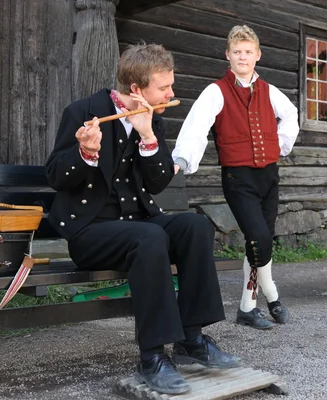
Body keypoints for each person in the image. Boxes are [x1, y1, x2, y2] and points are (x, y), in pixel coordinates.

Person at [45, 43, 241, 395]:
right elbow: (56, 177)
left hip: (139, 224)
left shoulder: (154, 117)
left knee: (194, 225)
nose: (171, 93)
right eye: (164, 87)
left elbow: (158, 181)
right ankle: (152, 357)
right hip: (90, 231)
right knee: (149, 238)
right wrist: (85, 152)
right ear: (136, 88)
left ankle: (191, 338)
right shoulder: (83, 112)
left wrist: (148, 135)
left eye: (171, 85)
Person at [171, 25, 299, 329]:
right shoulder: (216, 91)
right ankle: (270, 296)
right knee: (261, 239)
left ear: (258, 55)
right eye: (237, 52)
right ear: (228, 55)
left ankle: (249, 306)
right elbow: (196, 125)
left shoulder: (269, 90)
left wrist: (280, 145)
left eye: (248, 52)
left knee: (259, 242)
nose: (243, 57)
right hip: (238, 178)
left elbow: (291, 114)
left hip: (269, 175)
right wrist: (182, 158)